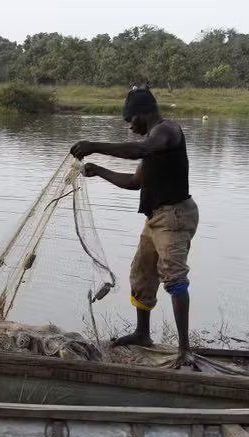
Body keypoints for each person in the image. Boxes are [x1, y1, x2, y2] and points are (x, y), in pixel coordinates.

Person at [71, 87, 199, 368]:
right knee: (142, 273)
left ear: (145, 113)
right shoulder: (152, 144)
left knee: (174, 278)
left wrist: (96, 145)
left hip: (175, 217)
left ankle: (185, 350)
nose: (130, 127)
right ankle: (142, 334)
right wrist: (99, 171)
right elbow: (135, 182)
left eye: (131, 121)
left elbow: (140, 149)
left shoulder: (167, 132)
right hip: (155, 219)